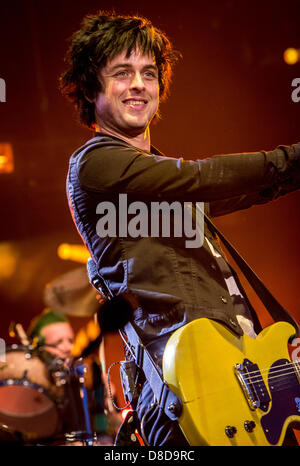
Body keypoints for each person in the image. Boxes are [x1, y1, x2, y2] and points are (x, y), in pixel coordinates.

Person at [59, 12, 300, 446]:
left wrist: (281, 366)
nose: (139, 84)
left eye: (148, 73)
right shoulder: (95, 163)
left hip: (237, 394)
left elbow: (250, 188)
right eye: (122, 73)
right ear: (91, 87)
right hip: (183, 397)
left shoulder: (163, 185)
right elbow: (201, 177)